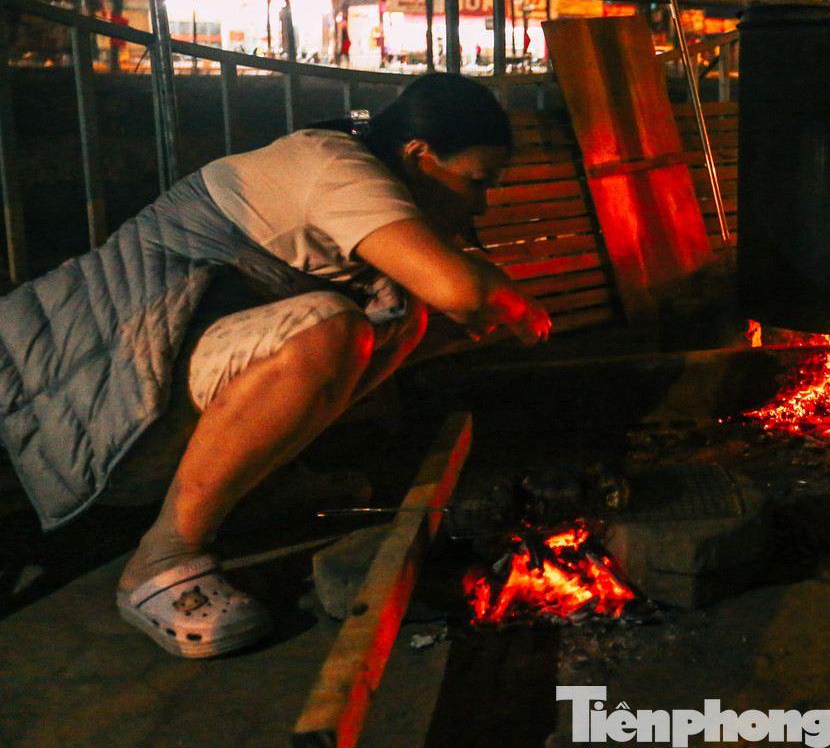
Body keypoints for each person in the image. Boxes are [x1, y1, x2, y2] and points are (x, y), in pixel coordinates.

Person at [0, 73, 551, 658]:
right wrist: (523, 311)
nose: (481, 203)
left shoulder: (361, 164)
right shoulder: (336, 168)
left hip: (146, 387)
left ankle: (257, 488)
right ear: (419, 156)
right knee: (329, 330)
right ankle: (159, 561)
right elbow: (463, 293)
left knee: (400, 315)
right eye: (478, 181)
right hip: (100, 409)